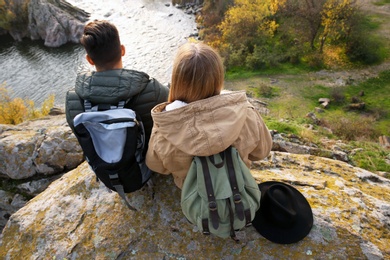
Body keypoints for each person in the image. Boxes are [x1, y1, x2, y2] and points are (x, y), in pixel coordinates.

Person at [146, 42, 273, 189]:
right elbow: (262, 151)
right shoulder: (245, 112)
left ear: (176, 80)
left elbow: (156, 165)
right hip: (238, 188)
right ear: (218, 77)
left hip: (195, 197)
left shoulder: (165, 126)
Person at [65, 20, 169, 147]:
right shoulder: (153, 90)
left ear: (90, 60)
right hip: (146, 164)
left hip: (100, 166)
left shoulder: (72, 100)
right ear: (122, 50)